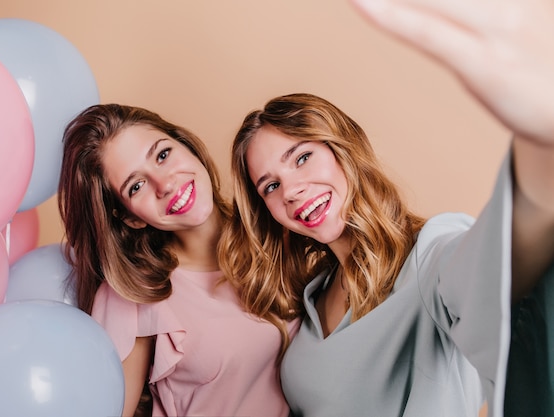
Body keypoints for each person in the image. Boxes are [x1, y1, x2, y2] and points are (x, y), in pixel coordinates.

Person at [220, 0, 554, 416]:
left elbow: (503, 269)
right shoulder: (312, 296)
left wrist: (543, 142)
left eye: (302, 157)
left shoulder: (428, 257)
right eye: (270, 185)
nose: (290, 190)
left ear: (345, 151)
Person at [57, 104, 292, 417]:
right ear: (130, 218)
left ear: (188, 146)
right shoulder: (135, 296)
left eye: (162, 154)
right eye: (136, 186)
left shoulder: (279, 222)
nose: (165, 184)